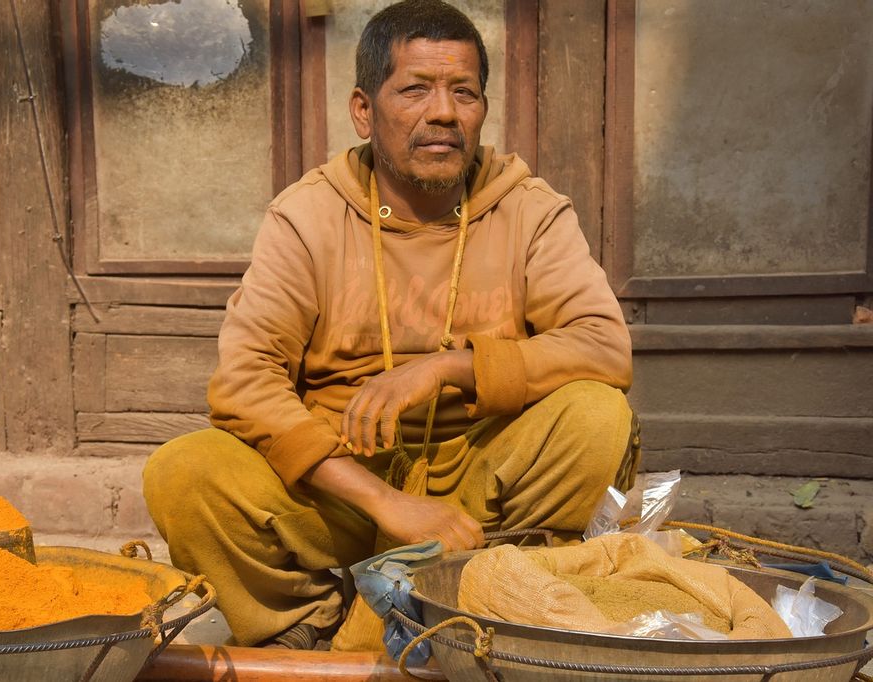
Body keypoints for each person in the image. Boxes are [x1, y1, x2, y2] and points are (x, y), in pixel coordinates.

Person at [143, 0, 638, 650]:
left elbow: (603, 348)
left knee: (597, 417)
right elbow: (243, 384)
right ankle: (306, 622)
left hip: (475, 495)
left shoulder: (527, 210)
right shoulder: (307, 216)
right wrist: (385, 504)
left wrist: (446, 366)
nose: (443, 113)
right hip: (342, 486)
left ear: (482, 110)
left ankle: (454, 594)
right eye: (415, 90)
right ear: (363, 110)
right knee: (184, 471)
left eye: (464, 93)